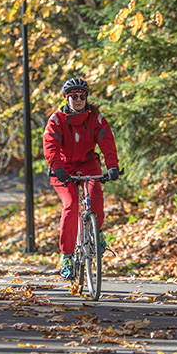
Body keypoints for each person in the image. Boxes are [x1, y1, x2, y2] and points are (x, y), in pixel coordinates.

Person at [43, 77, 120, 280]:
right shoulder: (57, 120)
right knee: (71, 205)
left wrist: (112, 166)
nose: (78, 99)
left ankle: (97, 233)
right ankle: (67, 256)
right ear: (67, 98)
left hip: (87, 163)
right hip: (63, 167)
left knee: (95, 197)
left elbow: (107, 141)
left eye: (82, 96)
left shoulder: (95, 118)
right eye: (74, 96)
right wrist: (57, 167)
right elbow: (50, 145)